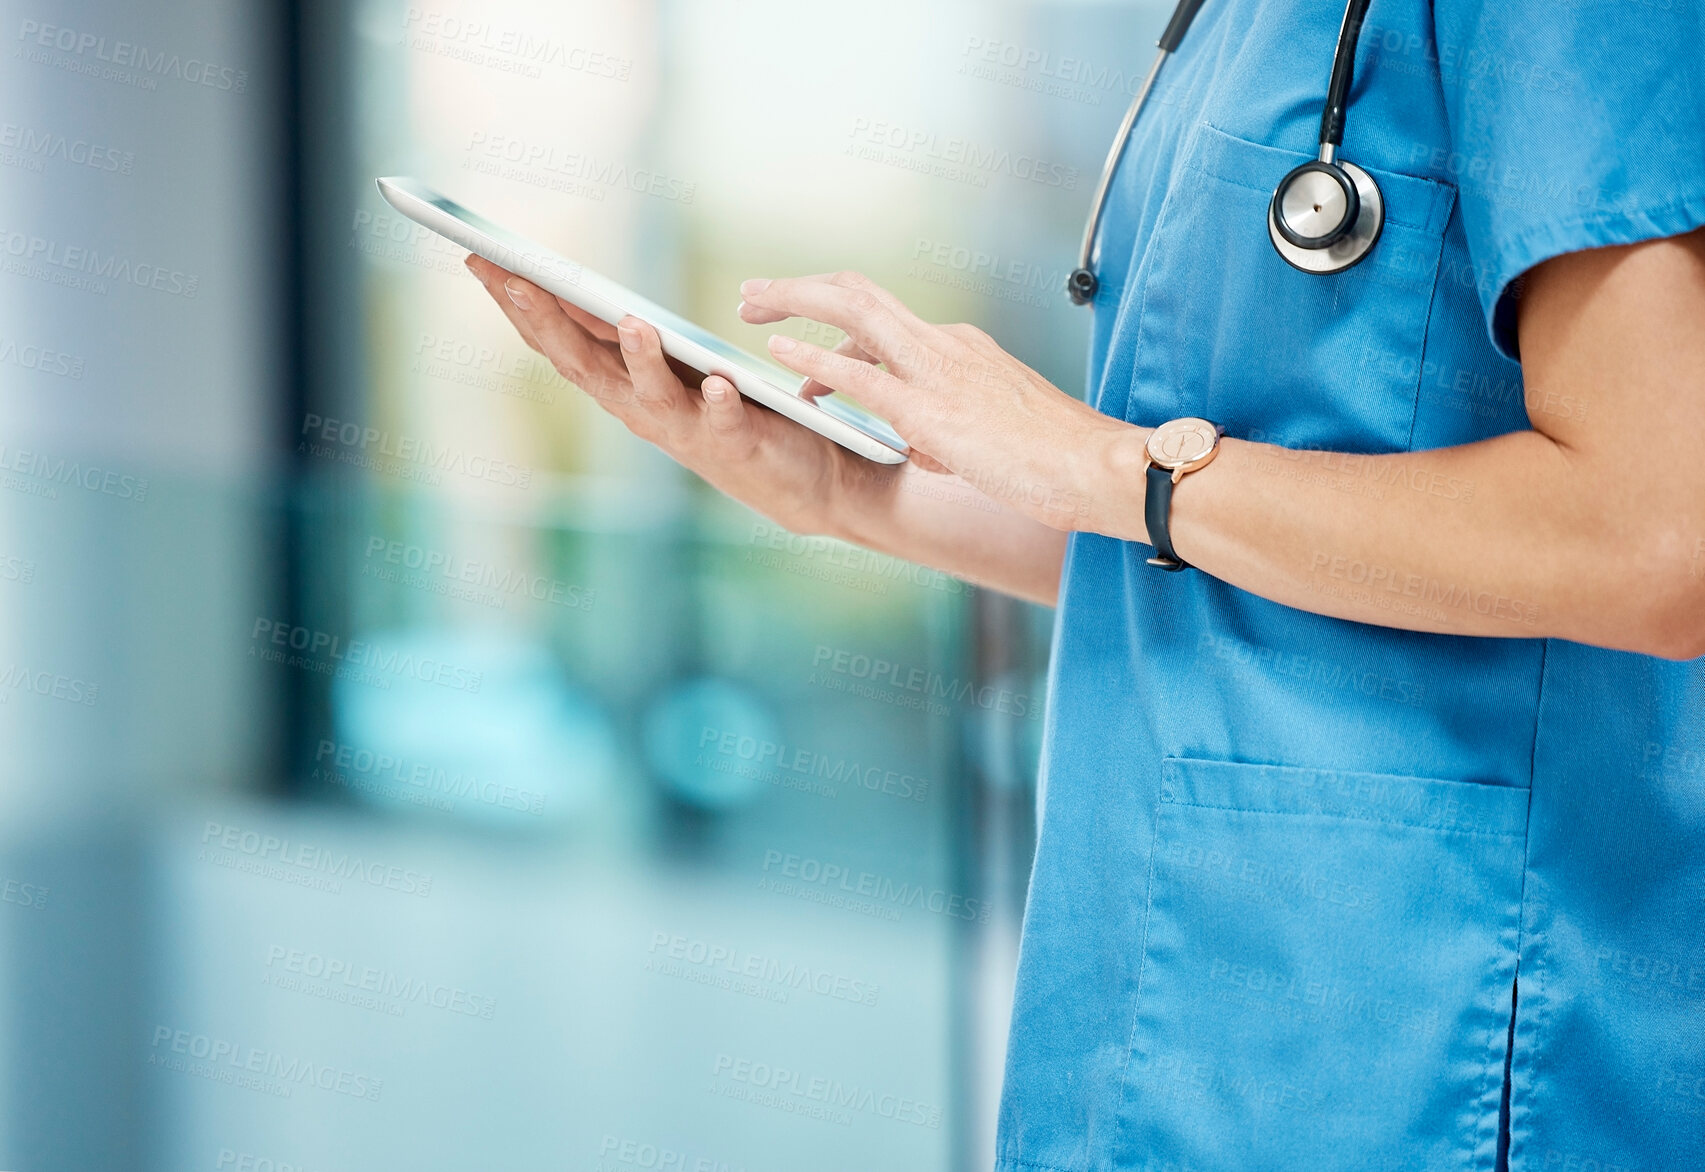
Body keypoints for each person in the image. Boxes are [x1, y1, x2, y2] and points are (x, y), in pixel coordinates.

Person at [467, 1, 1705, 1166]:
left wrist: (1101, 460)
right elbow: (1211, 546)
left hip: (1434, 1026)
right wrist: (843, 491)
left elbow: (1656, 535)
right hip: (1168, 1002)